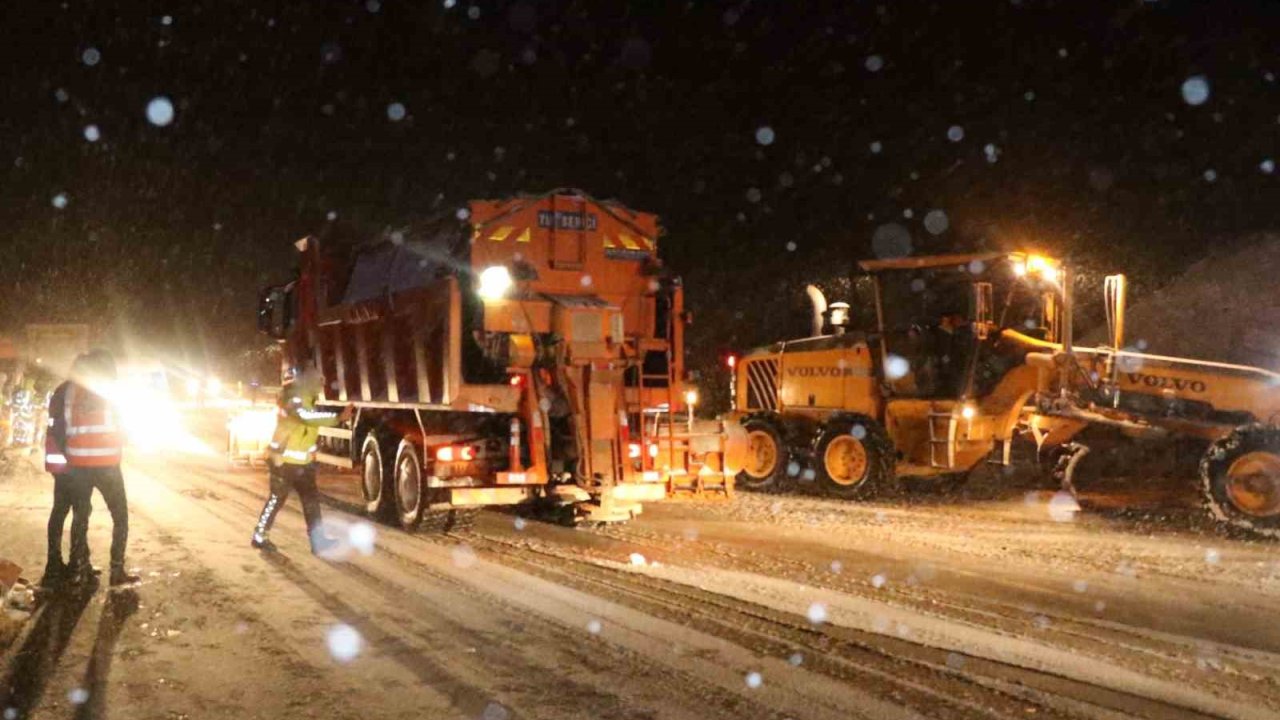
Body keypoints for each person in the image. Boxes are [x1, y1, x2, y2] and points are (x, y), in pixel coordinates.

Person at [58, 349, 140, 588]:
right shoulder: (112, 390)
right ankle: (116, 570)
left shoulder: (71, 391)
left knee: (80, 517)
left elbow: (65, 425)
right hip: (107, 464)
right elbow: (124, 426)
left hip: (78, 465)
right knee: (120, 517)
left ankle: (80, 569)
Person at [251, 369, 352, 554]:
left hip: (301, 464)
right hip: (282, 460)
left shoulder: (307, 399)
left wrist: (312, 455)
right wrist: (337, 418)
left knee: (311, 501)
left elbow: (307, 430)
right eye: (319, 382)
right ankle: (259, 535)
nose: (322, 386)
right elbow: (305, 418)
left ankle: (318, 541)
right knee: (276, 500)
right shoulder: (293, 397)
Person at [40, 354, 96, 588]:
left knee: (60, 510)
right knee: (81, 510)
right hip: (74, 462)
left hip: (59, 460)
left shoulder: (61, 390)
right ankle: (78, 563)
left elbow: (56, 426)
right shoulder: (80, 394)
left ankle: (54, 564)